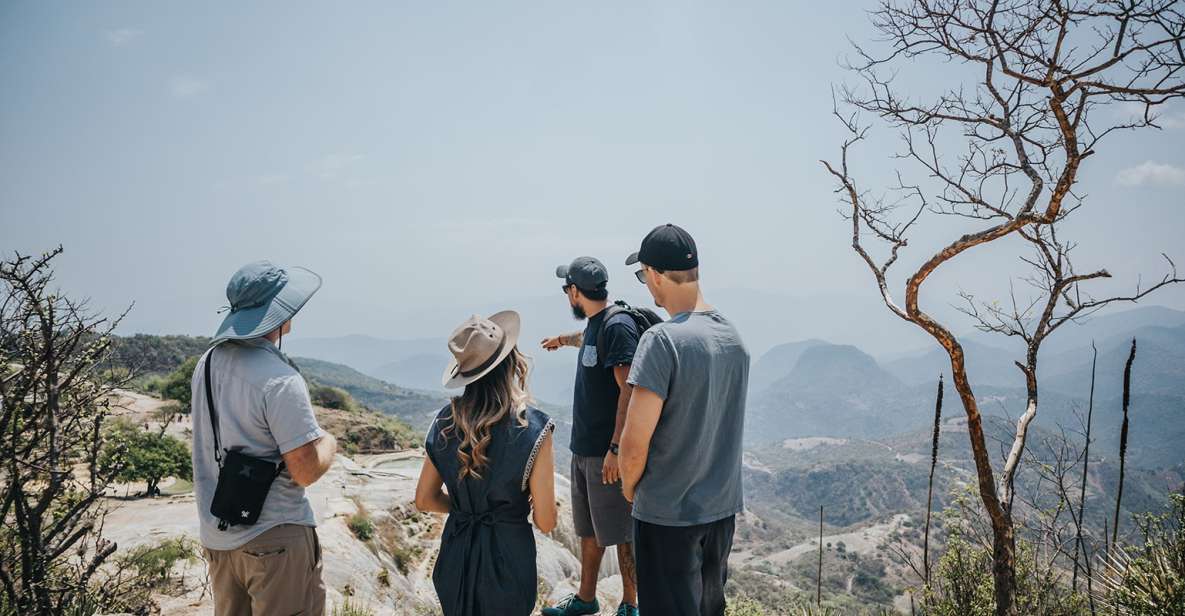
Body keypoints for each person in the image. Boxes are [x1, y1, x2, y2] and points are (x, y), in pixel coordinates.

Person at [191, 260, 338, 616]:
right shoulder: (279, 378)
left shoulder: (207, 362)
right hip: (275, 537)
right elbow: (304, 471)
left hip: (219, 536)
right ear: (279, 315)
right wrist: (329, 442)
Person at [618, 225, 750, 616]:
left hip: (668, 515)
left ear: (655, 274)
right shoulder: (733, 336)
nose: (647, 286)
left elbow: (633, 446)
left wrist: (631, 490)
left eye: (644, 276)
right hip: (721, 513)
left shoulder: (662, 341)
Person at [416, 311, 558, 616]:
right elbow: (546, 520)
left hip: (456, 557)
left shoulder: (445, 421)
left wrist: (465, 508)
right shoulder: (534, 428)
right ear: (511, 361)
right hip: (509, 562)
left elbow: (424, 499)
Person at [539, 257, 641, 616]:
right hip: (584, 449)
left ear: (574, 291)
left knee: (622, 532)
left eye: (567, 289)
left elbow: (629, 388)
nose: (568, 296)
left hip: (605, 453)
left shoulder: (617, 326)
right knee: (589, 529)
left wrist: (616, 448)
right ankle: (586, 599)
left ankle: (631, 604)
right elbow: (585, 338)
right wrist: (560, 340)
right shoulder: (598, 325)